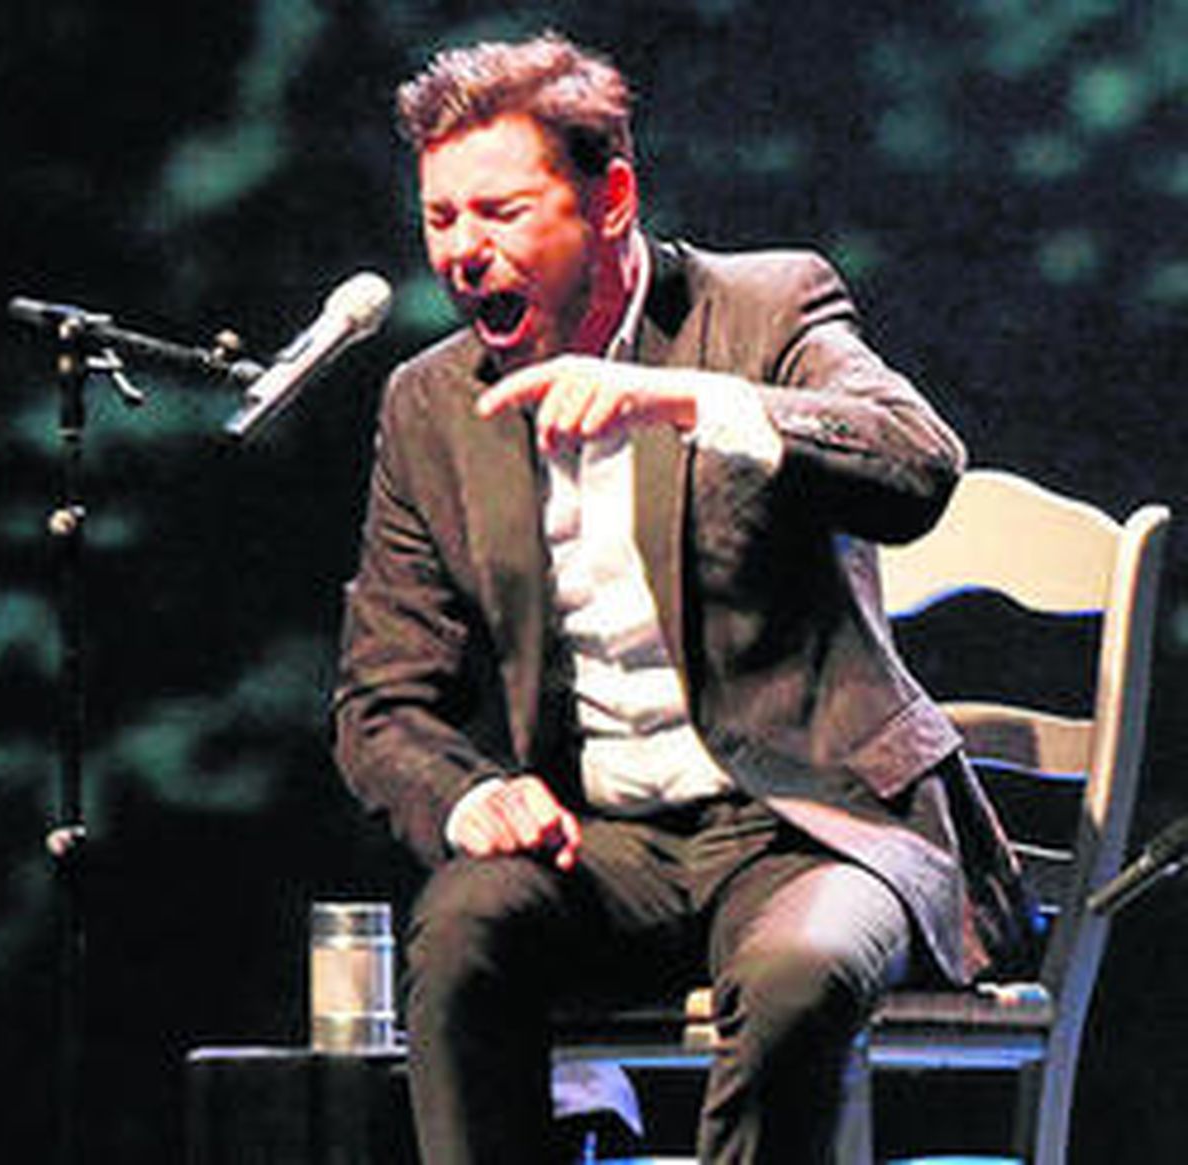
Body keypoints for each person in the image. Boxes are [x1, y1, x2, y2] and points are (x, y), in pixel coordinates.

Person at [330, 31, 1036, 1165]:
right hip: (607, 853)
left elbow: (916, 465)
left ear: (610, 200)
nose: (463, 251)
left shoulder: (763, 308)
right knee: (463, 926)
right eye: (440, 220)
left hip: (816, 829)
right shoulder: (428, 407)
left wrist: (679, 400)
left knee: (797, 973)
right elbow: (382, 702)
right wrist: (469, 797)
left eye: (499, 213)